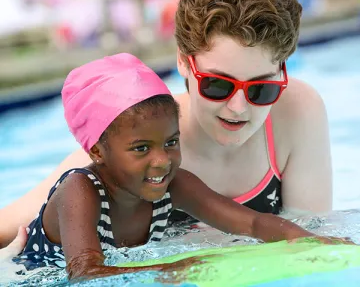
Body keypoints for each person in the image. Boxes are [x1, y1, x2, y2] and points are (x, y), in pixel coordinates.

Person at [0, 0, 332, 250]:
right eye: (218, 85)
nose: (238, 107)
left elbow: (313, 246)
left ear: (282, 72)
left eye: (261, 89)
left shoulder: (297, 113)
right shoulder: (136, 137)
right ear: (185, 64)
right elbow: (10, 228)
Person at [12, 53, 324, 281]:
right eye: (141, 148)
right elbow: (84, 272)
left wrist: (309, 240)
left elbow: (253, 224)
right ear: (97, 151)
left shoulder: (174, 184)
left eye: (171, 142)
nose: (162, 160)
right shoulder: (80, 191)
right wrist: (172, 268)